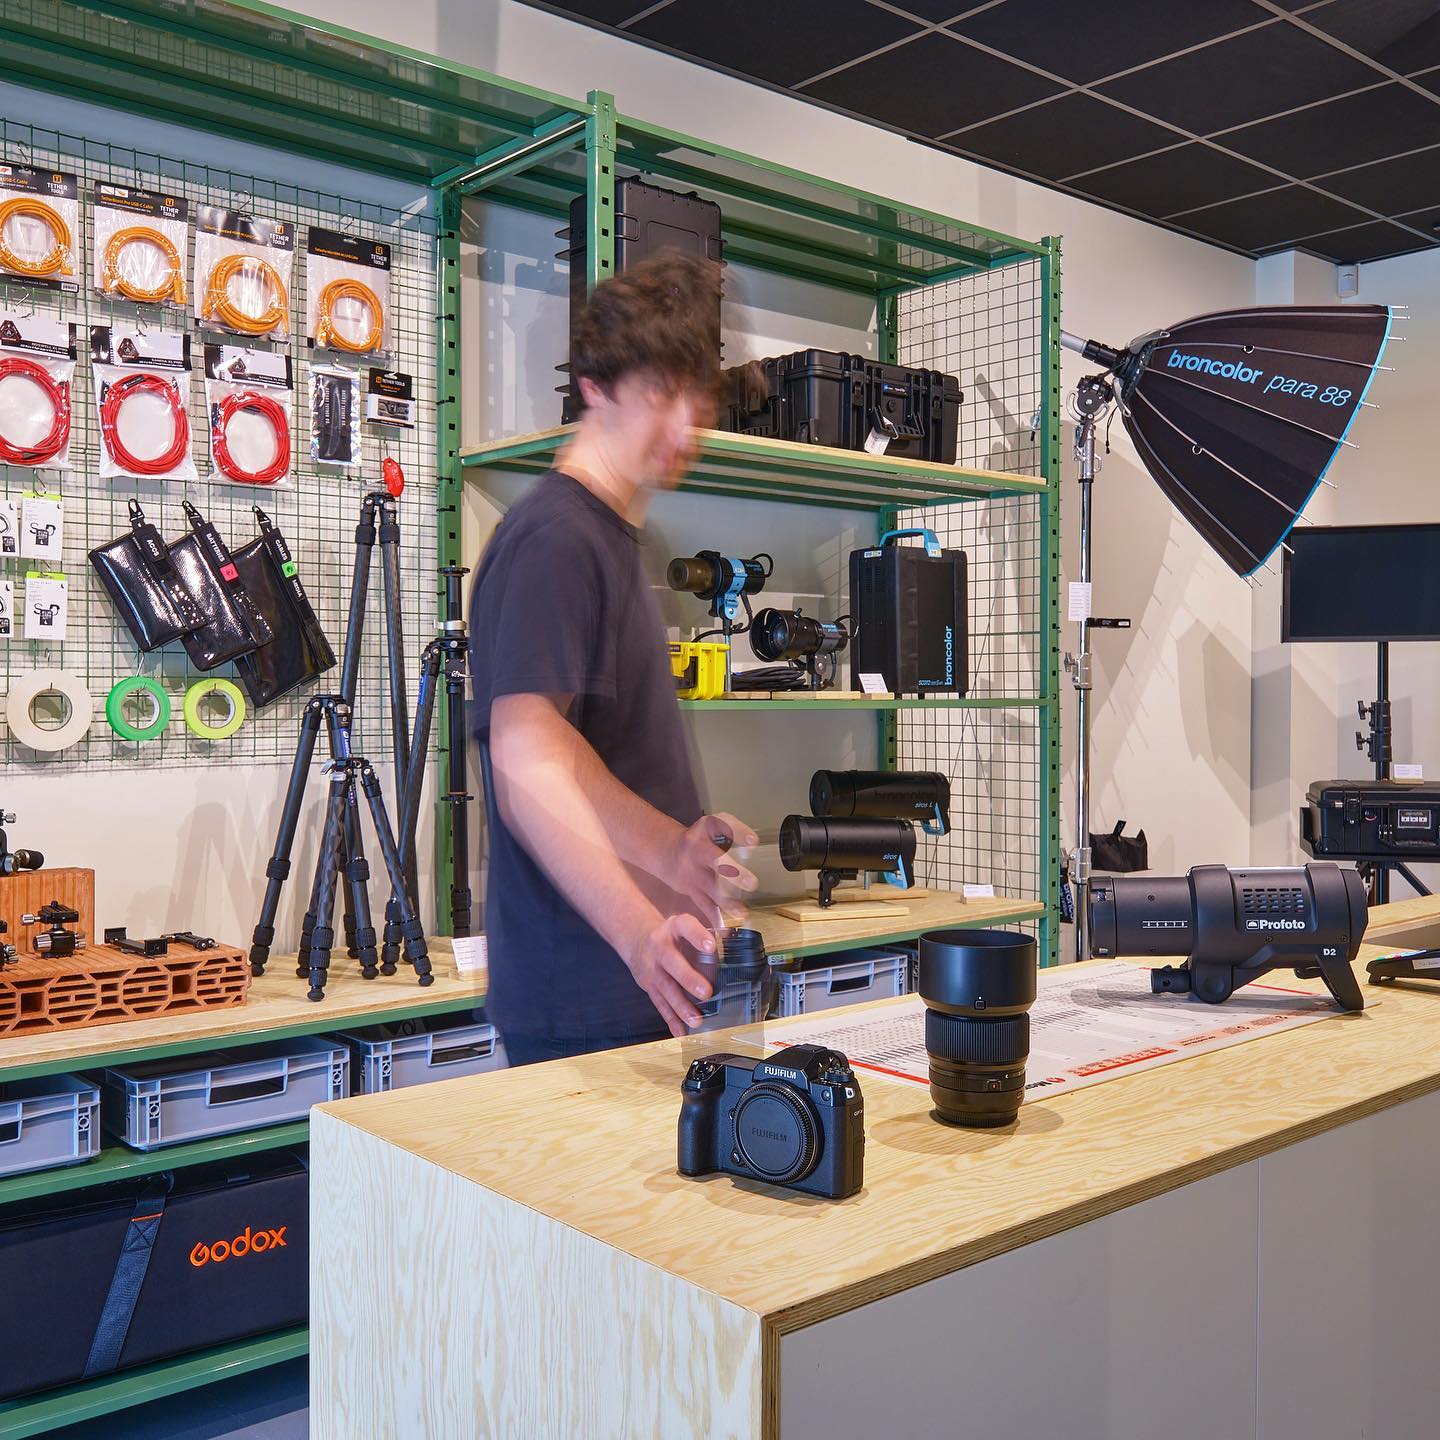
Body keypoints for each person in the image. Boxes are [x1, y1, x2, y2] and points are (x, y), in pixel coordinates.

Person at [469, 252, 758, 1067]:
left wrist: (672, 848)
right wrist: (638, 933)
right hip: (585, 1002)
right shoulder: (556, 541)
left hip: (638, 994)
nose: (683, 429)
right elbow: (524, 765)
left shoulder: (611, 537)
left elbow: (568, 757)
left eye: (695, 400)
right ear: (596, 386)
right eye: (659, 395)